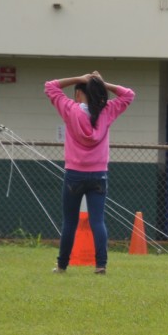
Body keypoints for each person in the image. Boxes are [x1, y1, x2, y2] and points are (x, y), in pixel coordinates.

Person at [46, 71, 134, 274]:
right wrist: (102, 82)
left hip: (73, 174)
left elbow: (50, 86)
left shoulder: (69, 109)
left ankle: (62, 266)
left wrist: (79, 78)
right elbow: (129, 94)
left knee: (70, 221)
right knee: (97, 221)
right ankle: (101, 265)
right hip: (99, 174)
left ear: (78, 94)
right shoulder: (107, 111)